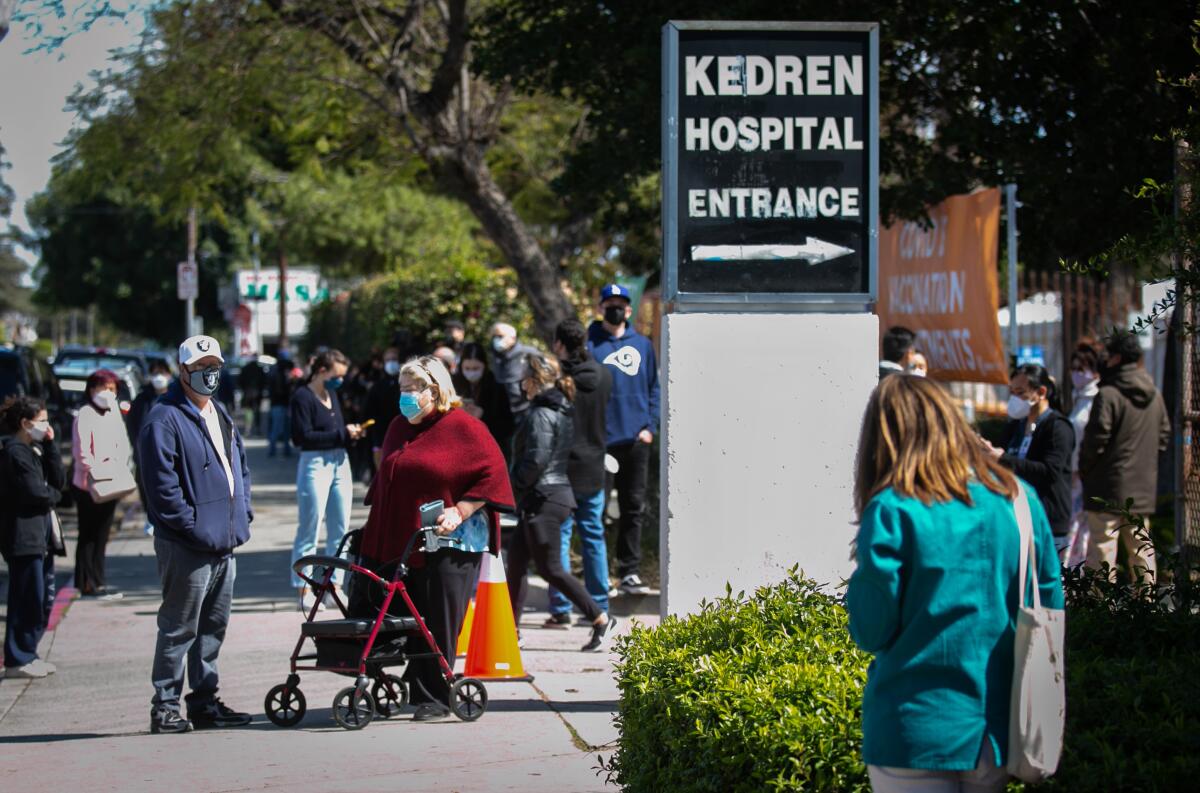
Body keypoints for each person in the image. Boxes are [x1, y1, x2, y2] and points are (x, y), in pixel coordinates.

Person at [847, 375, 1063, 792]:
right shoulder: (1018, 497)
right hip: (998, 724)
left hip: (914, 724)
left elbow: (870, 629)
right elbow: (1049, 600)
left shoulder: (893, 507)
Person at [360, 356, 514, 721]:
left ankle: (438, 694)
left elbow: (493, 474)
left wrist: (460, 509)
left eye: (412, 389)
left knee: (439, 617)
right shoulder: (399, 426)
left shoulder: (464, 427)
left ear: (434, 390)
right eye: (402, 389)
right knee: (412, 616)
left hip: (453, 541)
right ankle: (418, 686)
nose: (405, 396)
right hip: (405, 537)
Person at [138, 335, 253, 733]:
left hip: (225, 542)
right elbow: (161, 488)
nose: (209, 373)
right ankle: (165, 707)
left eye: (214, 365)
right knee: (179, 627)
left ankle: (204, 702)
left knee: (212, 628)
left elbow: (239, 464)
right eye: (200, 366)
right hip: (187, 545)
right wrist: (193, 527)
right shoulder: (163, 418)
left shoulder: (218, 412)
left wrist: (243, 515)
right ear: (182, 371)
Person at [505, 352, 616, 650]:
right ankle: (510, 632)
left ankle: (600, 617)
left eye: (523, 377)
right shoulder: (558, 409)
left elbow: (537, 459)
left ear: (534, 381)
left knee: (551, 568)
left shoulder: (541, 413)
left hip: (545, 498)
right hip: (544, 497)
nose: (519, 383)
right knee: (514, 565)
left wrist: (511, 483)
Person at [1080, 331, 1170, 583]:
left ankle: (1102, 611)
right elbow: (1164, 435)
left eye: (1107, 356)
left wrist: (1085, 469)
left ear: (1117, 358)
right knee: (1142, 549)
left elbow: (1095, 440)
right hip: (1141, 486)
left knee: (1102, 547)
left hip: (1105, 487)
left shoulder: (1108, 395)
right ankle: (1145, 608)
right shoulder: (1154, 394)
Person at [588, 283, 659, 596]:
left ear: (629, 310)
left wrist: (649, 427)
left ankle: (628, 572)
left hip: (635, 440)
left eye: (620, 304)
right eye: (609, 304)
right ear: (601, 308)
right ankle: (600, 576)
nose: (615, 309)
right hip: (601, 442)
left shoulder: (642, 344)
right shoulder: (590, 345)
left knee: (633, 507)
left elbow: (655, 387)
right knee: (598, 510)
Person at [545, 319, 613, 628]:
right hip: (594, 465)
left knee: (560, 535)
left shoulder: (560, 380)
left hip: (562, 469)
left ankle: (561, 607)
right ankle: (599, 605)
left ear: (560, 344)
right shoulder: (603, 375)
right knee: (593, 536)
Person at [289, 349, 363, 611]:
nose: (340, 381)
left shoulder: (332, 394)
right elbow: (302, 437)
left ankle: (335, 587)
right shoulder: (302, 397)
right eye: (336, 376)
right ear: (322, 371)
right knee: (310, 526)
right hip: (315, 463)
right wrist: (342, 434)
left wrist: (347, 435)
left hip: (339, 461)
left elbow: (335, 431)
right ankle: (303, 589)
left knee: (339, 528)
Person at [1, 397, 65, 680]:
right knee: (26, 597)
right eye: (41, 421)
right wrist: (53, 496)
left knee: (41, 599)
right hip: (23, 535)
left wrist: (50, 446)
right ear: (25, 423)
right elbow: (36, 493)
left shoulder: (34, 449)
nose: (46, 426)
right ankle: (18, 656)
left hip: (40, 535)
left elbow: (57, 481)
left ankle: (30, 651)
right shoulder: (14, 452)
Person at [984, 364, 1075, 560]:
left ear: (1041, 392)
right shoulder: (1015, 425)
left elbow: (1049, 471)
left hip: (1048, 519)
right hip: (1015, 515)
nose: (1014, 398)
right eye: (1012, 392)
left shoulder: (1058, 427)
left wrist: (1003, 458)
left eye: (1020, 392)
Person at [71, 368, 133, 599]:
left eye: (112, 389)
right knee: (88, 534)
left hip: (111, 484)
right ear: (91, 389)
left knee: (102, 535)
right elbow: (82, 453)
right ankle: (86, 582)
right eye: (103, 388)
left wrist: (118, 467)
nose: (108, 393)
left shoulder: (113, 412)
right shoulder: (85, 414)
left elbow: (123, 443)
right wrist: (98, 471)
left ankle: (98, 580)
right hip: (89, 485)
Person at [1063, 339, 1103, 565]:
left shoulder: (1096, 399)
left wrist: (1083, 468)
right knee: (1074, 527)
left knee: (1081, 529)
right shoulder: (1078, 398)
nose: (1077, 374)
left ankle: (1077, 575)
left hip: (1085, 475)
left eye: (1082, 368)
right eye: (1074, 369)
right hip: (1074, 474)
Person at [127, 359, 173, 535]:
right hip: (145, 453)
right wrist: (137, 446)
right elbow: (132, 424)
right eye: (155, 373)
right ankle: (151, 517)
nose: (159, 377)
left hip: (168, 452)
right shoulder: (142, 399)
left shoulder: (175, 397)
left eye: (162, 372)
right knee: (146, 486)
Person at [451, 342, 515, 459]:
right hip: (457, 448)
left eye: (476, 368)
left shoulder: (496, 388)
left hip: (488, 450)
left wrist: (483, 415)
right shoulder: (453, 385)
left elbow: (507, 426)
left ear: (484, 366)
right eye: (467, 368)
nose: (471, 372)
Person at [490, 322, 539, 421]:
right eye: (494, 337)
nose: (496, 340)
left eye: (500, 336)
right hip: (503, 416)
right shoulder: (494, 358)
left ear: (513, 337)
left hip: (526, 413)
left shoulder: (529, 354)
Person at [365, 347, 403, 471]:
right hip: (381, 436)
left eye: (394, 359)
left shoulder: (406, 384)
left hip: (403, 435)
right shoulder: (377, 386)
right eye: (388, 360)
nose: (391, 363)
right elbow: (369, 412)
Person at [267, 346, 296, 458]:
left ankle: (276, 449)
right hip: (281, 402)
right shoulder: (282, 372)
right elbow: (282, 389)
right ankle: (281, 449)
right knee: (282, 428)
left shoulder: (274, 370)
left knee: (279, 428)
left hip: (277, 403)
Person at [237, 354, 267, 436]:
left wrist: (244, 389)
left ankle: (248, 429)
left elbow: (239, 381)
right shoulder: (260, 369)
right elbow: (264, 381)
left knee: (248, 411)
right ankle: (257, 429)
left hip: (247, 393)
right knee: (257, 411)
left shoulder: (245, 368)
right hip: (257, 393)